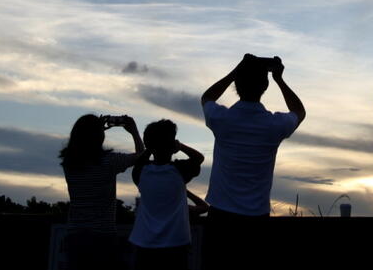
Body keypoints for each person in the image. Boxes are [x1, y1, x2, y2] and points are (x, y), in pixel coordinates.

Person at [200, 54, 305, 268]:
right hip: (256, 219)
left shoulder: (221, 119)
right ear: (265, 85)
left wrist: (235, 71)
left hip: (220, 218)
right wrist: (279, 79)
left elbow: (207, 98)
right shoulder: (274, 125)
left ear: (238, 82)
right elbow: (299, 112)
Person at [60, 114, 144, 270]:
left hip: (74, 237)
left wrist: (97, 128)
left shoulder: (69, 163)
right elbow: (141, 156)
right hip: (102, 236)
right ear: (99, 136)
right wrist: (133, 131)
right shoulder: (109, 161)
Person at [128, 120, 203, 270]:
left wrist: (149, 148)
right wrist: (180, 146)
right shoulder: (179, 171)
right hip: (176, 243)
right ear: (172, 145)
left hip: (144, 243)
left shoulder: (140, 172)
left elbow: (140, 160)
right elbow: (198, 158)